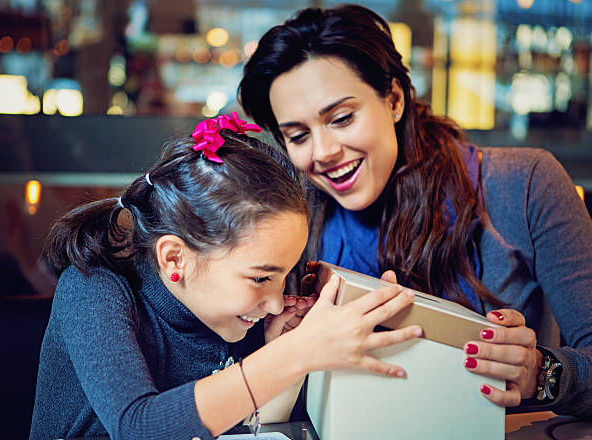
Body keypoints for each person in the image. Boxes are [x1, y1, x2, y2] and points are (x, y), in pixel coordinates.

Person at [239, 5, 592, 418]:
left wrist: (540, 373)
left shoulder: (524, 183)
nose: (323, 153)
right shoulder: (298, 213)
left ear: (393, 99)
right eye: (298, 136)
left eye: (341, 118)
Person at [29, 113, 423, 440]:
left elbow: (256, 429)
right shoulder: (95, 290)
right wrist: (295, 353)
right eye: (260, 278)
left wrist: (284, 352)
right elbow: (139, 428)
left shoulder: (243, 314)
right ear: (174, 258)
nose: (275, 300)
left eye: (284, 275)